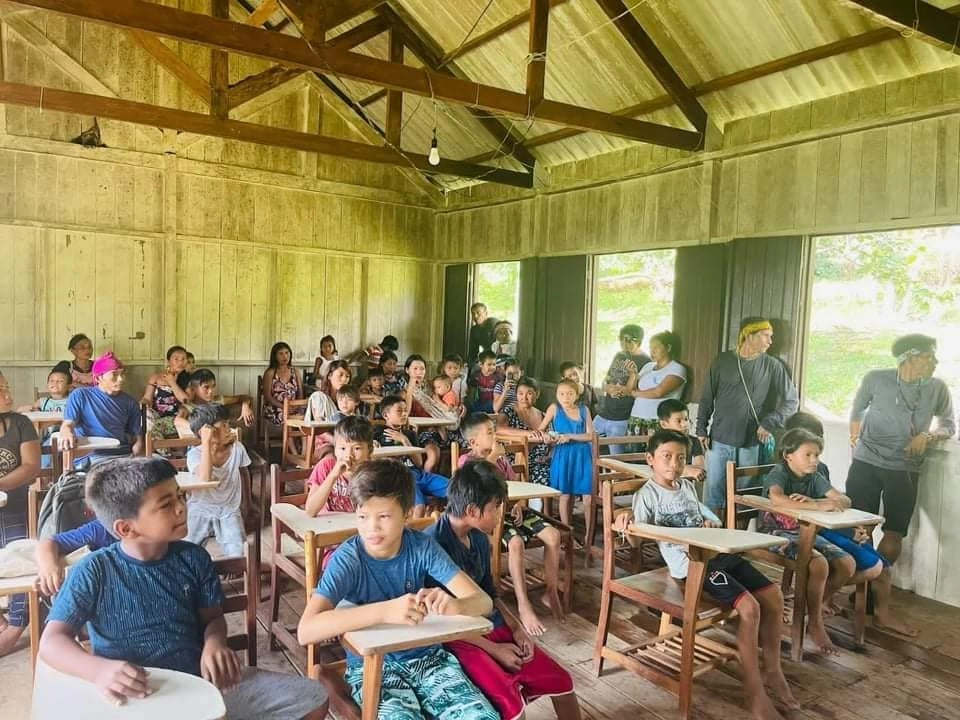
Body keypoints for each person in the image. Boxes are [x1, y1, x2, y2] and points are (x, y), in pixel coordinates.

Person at [39, 457, 328, 718]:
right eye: (166, 504)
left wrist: (215, 643)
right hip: (136, 691)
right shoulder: (95, 570)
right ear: (126, 528)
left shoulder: (194, 558)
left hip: (200, 679)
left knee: (313, 699)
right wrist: (99, 671)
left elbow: (212, 618)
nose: (181, 508)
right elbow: (52, 642)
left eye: (180, 496)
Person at [614, 430, 798, 719]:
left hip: (718, 555)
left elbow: (708, 516)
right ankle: (755, 694)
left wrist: (709, 522)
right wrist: (623, 519)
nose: (674, 464)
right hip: (693, 567)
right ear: (650, 459)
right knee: (749, 608)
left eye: (680, 458)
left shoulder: (686, 487)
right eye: (666, 457)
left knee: (773, 596)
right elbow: (636, 538)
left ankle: (773, 671)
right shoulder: (646, 496)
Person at [297, 459, 497, 720]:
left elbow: (483, 602)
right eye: (363, 516)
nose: (372, 527)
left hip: (430, 660)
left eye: (384, 516)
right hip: (375, 667)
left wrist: (455, 605)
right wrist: (385, 611)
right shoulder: (349, 558)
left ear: (406, 514)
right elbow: (306, 630)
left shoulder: (422, 548)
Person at [426, 461, 581, 720]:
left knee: (563, 683)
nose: (501, 515)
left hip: (491, 625)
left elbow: (490, 594)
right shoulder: (432, 546)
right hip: (458, 638)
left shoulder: (477, 537)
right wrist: (494, 649)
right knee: (511, 705)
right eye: (496, 508)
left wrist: (517, 628)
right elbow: (439, 621)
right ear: (472, 510)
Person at [782, 416, 918, 637]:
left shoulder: (820, 471)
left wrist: (851, 526)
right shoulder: (780, 474)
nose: (813, 458)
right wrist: (822, 507)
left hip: (829, 527)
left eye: (816, 450)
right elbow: (785, 511)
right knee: (851, 563)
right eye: (806, 451)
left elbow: (840, 501)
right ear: (788, 449)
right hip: (810, 531)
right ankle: (816, 606)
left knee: (883, 568)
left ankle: (882, 614)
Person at [847, 333, 955, 566]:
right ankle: (862, 582)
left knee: (894, 531)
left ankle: (876, 587)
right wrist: (855, 439)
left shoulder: (938, 388)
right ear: (908, 357)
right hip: (866, 463)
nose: (934, 362)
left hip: (905, 467)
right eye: (928, 357)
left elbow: (949, 425)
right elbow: (857, 410)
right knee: (860, 525)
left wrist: (928, 435)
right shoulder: (876, 379)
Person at [460, 413, 563, 635]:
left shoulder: (502, 459)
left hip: (513, 510)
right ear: (473, 442)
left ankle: (551, 591)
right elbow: (473, 489)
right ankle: (523, 604)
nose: (495, 435)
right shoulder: (466, 463)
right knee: (515, 543)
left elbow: (515, 486)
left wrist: (519, 504)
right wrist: (491, 460)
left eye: (494, 431)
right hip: (490, 515)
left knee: (554, 536)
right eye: (489, 433)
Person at [696, 317, 799, 516]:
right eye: (766, 336)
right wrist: (701, 429)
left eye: (772, 337)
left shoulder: (772, 365)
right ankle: (712, 542)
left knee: (744, 497)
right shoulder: (722, 361)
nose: (770, 341)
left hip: (751, 441)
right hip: (719, 438)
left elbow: (791, 401)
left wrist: (769, 422)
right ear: (749, 336)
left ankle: (739, 542)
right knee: (714, 494)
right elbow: (707, 396)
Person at [0, 372, 40, 656]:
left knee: (21, 562)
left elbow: (31, 466)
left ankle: (15, 627)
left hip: (13, 505)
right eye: (0, 390)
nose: (8, 395)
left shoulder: (21, 423)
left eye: (7, 388)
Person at [185, 404, 250, 559]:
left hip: (229, 509)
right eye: (224, 426)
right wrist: (207, 443)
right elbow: (205, 477)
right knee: (185, 554)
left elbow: (244, 473)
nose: (230, 429)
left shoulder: (237, 448)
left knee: (239, 557)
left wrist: (248, 502)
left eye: (229, 424)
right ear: (207, 431)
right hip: (200, 508)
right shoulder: (194, 454)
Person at [58, 352, 142, 465]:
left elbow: (136, 436)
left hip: (122, 455)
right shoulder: (80, 395)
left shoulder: (130, 402)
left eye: (122, 374)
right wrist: (66, 432)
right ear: (98, 378)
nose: (121, 379)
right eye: (115, 375)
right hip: (90, 456)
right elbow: (67, 424)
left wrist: (138, 454)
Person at [373, 396, 448, 517]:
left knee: (456, 489)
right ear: (386, 415)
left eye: (405, 410)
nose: (404, 414)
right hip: (399, 477)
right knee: (419, 506)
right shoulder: (377, 433)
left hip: (419, 475)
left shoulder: (410, 434)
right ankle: (417, 534)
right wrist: (374, 445)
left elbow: (419, 463)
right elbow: (377, 461)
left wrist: (404, 440)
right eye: (399, 411)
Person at [539, 379, 594, 542]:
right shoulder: (554, 409)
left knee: (588, 497)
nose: (565, 397)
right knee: (565, 496)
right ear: (557, 394)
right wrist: (548, 437)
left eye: (570, 393)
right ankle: (568, 535)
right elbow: (541, 431)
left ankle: (588, 536)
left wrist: (569, 436)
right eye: (561, 393)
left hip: (583, 455)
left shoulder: (584, 410)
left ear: (577, 395)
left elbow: (591, 435)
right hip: (563, 456)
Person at [593, 324, 650, 455]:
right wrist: (608, 387)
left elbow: (635, 390)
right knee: (586, 447)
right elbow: (606, 380)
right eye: (621, 339)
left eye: (629, 340)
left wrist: (623, 387)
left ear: (639, 341)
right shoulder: (619, 355)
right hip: (604, 412)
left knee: (617, 458)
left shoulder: (646, 361)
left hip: (622, 416)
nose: (624, 343)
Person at [305, 416, 374, 517]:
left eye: (357, 448)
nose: (348, 454)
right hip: (329, 525)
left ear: (370, 451)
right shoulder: (325, 466)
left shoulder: (373, 472)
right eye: (342, 448)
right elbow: (310, 511)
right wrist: (333, 475)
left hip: (357, 527)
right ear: (335, 448)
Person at [497, 377, 553, 488]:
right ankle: (540, 502)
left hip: (543, 459)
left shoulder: (542, 415)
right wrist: (528, 434)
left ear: (537, 395)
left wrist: (549, 455)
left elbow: (551, 437)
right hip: (521, 458)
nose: (524, 397)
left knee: (564, 471)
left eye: (529, 393)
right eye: (520, 393)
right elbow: (498, 428)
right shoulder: (510, 411)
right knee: (546, 475)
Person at [174, 369, 255, 437]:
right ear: (194, 388)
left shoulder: (218, 400)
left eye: (213, 386)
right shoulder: (189, 406)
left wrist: (245, 407)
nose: (211, 391)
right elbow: (177, 420)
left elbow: (245, 397)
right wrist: (199, 428)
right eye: (206, 387)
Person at [18, 368, 71, 467]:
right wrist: (32, 409)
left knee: (52, 444)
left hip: (67, 434)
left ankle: (52, 471)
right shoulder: (43, 401)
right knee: (40, 446)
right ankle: (44, 472)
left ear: (68, 386)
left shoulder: (72, 400)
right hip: (47, 436)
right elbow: (20, 410)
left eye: (60, 381)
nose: (55, 383)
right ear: (47, 384)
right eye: (52, 381)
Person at [629, 331, 686, 422]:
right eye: (650, 348)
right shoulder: (648, 366)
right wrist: (633, 374)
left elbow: (658, 392)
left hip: (658, 419)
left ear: (668, 348)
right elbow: (631, 388)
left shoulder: (677, 368)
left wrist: (635, 393)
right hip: (636, 416)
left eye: (656, 347)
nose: (652, 351)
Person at [142, 345, 191, 439]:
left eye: (183, 359)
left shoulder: (188, 379)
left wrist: (172, 382)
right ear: (169, 361)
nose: (180, 362)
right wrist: (143, 404)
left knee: (155, 428)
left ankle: (161, 449)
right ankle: (152, 446)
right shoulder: (155, 377)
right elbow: (147, 398)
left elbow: (186, 401)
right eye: (176, 359)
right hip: (157, 415)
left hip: (177, 416)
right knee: (144, 415)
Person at [657, 398, 705, 482]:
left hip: (685, 486)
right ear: (664, 424)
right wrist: (688, 470)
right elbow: (662, 468)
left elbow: (699, 469)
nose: (685, 424)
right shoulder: (659, 442)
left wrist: (687, 471)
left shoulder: (694, 441)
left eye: (686, 419)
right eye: (678, 421)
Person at [262, 341, 302, 427]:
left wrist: (296, 406)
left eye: (287, 353)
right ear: (275, 356)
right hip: (275, 407)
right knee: (288, 419)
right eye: (281, 354)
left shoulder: (295, 372)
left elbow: (300, 394)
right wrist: (284, 407)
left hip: (293, 406)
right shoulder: (270, 372)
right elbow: (267, 396)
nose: (285, 356)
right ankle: (290, 439)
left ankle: (302, 439)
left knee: (305, 417)